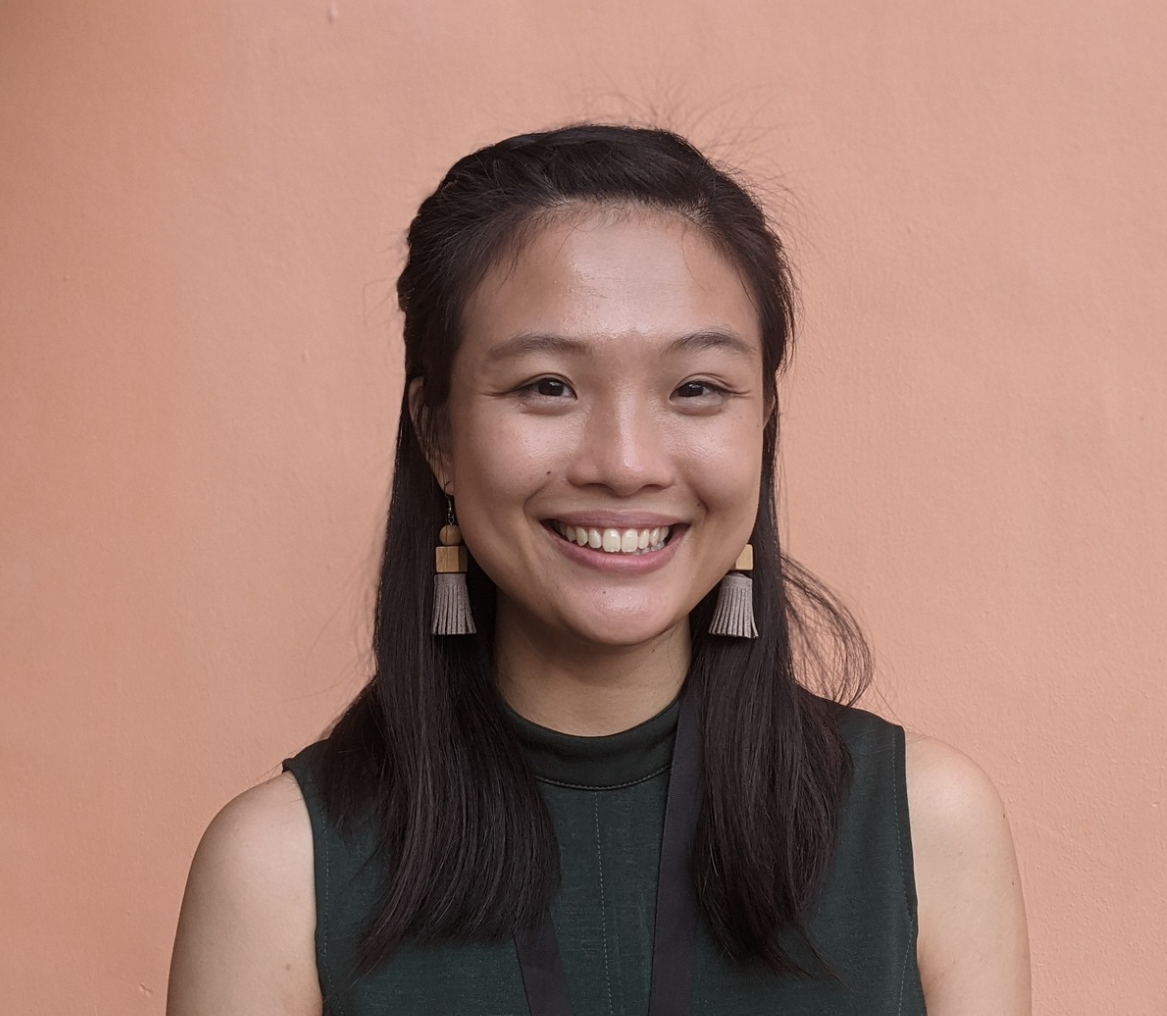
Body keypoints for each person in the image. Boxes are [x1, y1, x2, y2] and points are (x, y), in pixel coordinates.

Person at [166, 125, 1030, 1016]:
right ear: (437, 434)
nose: (624, 463)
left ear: (763, 425)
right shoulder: (279, 869)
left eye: (695, 388)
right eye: (547, 386)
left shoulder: (925, 829)